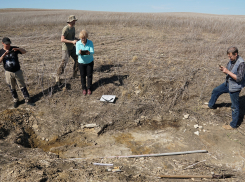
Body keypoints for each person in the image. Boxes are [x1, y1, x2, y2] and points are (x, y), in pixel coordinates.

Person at [206, 46, 245, 130]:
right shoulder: (231, 60)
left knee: (234, 106)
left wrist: (227, 71)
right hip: (228, 84)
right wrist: (224, 71)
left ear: (236, 54)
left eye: (230, 56)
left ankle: (233, 125)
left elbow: (239, 78)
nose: (229, 58)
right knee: (216, 91)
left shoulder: (241, 63)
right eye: (228, 56)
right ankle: (211, 105)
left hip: (235, 87)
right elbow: (229, 73)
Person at [0, 37, 35, 108]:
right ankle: (16, 100)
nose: (8, 45)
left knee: (22, 86)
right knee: (11, 87)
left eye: (9, 44)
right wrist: (4, 55)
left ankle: (27, 100)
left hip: (17, 71)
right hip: (8, 72)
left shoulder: (14, 48)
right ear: (2, 43)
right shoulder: (1, 51)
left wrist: (18, 49)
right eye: (7, 44)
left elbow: (24, 51)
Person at [56, 15, 79, 83]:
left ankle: (74, 74)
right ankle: (58, 76)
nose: (75, 22)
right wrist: (72, 42)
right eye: (74, 20)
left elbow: (72, 37)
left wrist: (79, 40)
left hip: (72, 47)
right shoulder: (66, 29)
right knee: (64, 62)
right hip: (66, 49)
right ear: (71, 21)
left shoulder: (73, 28)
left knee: (78, 59)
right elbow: (62, 39)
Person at [76, 30, 94, 95]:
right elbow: (76, 53)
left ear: (86, 37)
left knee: (89, 75)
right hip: (81, 63)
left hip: (89, 62)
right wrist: (79, 52)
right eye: (81, 38)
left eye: (84, 38)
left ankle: (89, 88)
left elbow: (92, 52)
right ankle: (84, 88)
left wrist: (89, 53)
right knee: (82, 76)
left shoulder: (90, 42)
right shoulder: (78, 43)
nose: (83, 39)